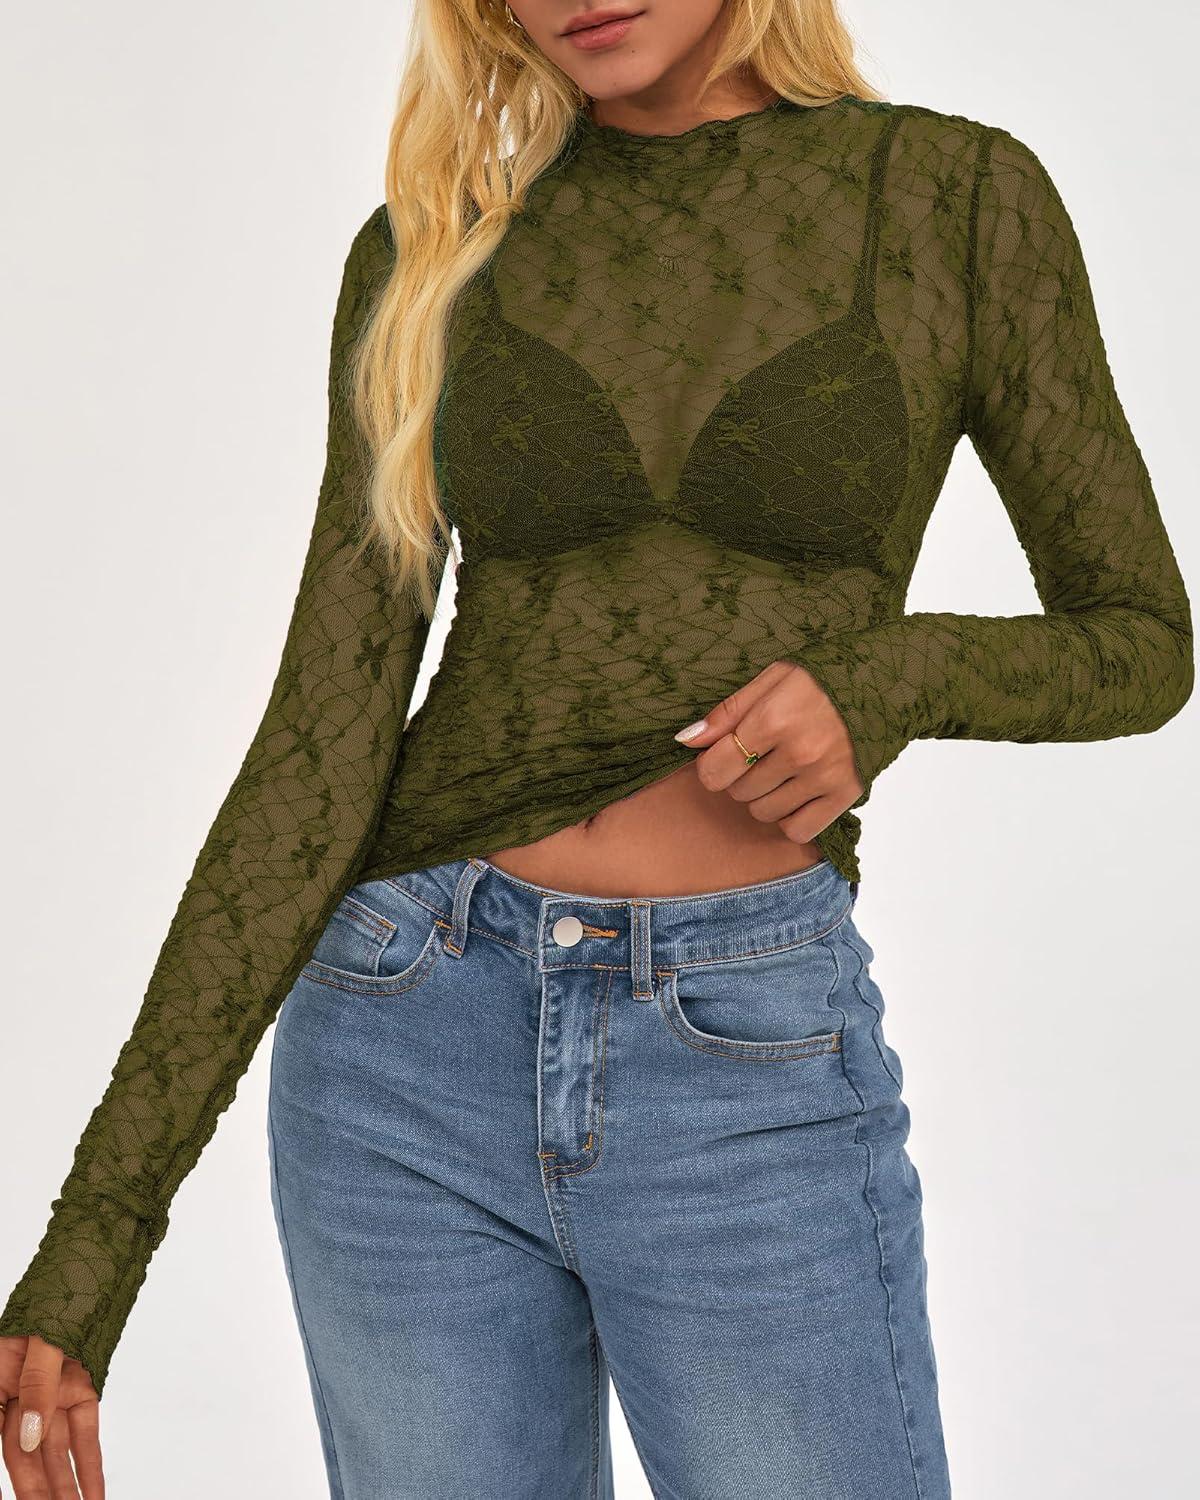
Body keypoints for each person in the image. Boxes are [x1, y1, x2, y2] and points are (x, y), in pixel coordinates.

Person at [2, 1, 1193, 1496]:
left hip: (744, 1052)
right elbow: (320, 738)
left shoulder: (951, 200)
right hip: (402, 1036)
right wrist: (93, 1248)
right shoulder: (435, 253)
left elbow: (1142, 639)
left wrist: (888, 679)